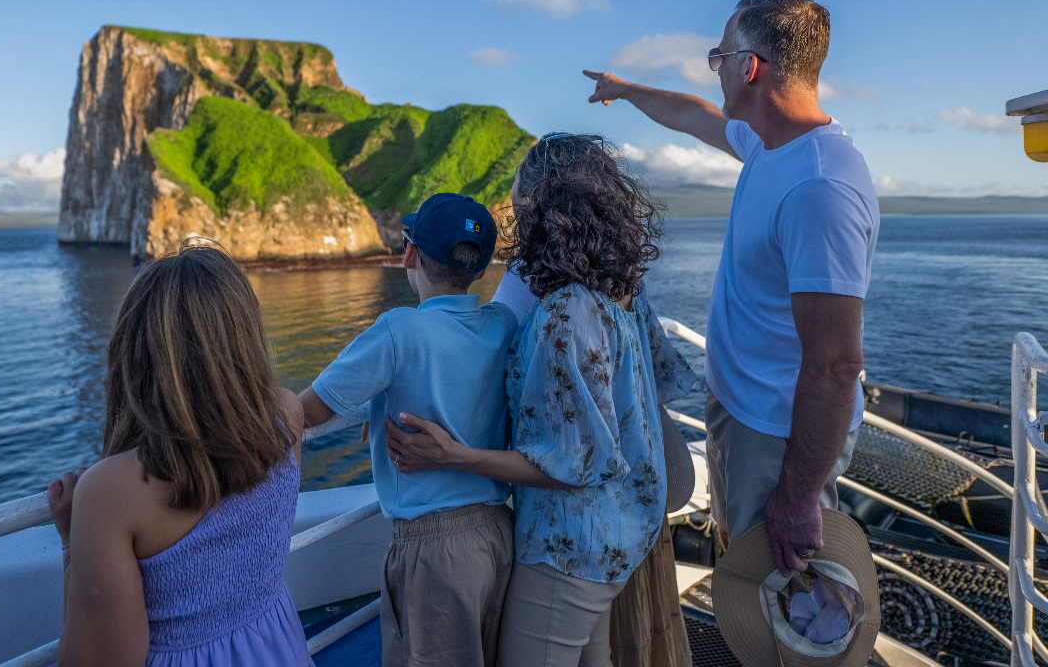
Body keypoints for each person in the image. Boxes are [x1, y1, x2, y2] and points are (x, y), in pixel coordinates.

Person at [583, 0, 880, 576]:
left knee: (782, 597)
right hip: (744, 414)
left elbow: (836, 366)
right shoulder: (772, 145)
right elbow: (694, 115)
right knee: (749, 575)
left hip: (776, 435)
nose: (715, 70)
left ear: (751, 68)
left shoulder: (818, 190)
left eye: (720, 57)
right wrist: (624, 89)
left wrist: (795, 498)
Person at [385, 135, 695, 667]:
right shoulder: (622, 288)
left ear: (541, 210)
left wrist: (455, 456)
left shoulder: (562, 315)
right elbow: (652, 386)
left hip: (568, 546)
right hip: (619, 537)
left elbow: (572, 463)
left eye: (518, 205)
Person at [46, 240, 313, 667]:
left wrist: (71, 544)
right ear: (245, 337)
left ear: (134, 352)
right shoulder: (286, 415)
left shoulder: (112, 492)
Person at [298, 192, 518, 667]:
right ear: (480, 270)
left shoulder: (398, 330)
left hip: (434, 548)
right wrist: (383, 403)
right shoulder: (502, 324)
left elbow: (308, 412)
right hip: (498, 533)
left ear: (410, 254)